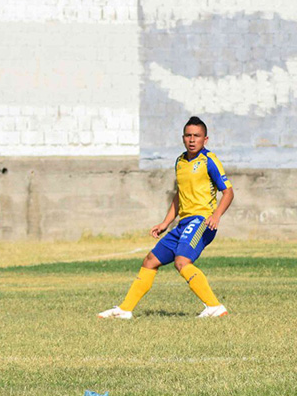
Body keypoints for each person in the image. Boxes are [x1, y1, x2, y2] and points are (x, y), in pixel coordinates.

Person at [98, 116, 234, 319]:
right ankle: (125, 310)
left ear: (205, 139)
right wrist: (165, 223)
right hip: (183, 223)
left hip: (202, 221)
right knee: (150, 260)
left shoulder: (209, 160)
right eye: (188, 135)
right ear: (183, 138)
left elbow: (228, 192)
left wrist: (216, 215)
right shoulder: (180, 161)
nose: (192, 139)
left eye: (197, 136)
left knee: (182, 261)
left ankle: (215, 307)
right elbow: (180, 195)